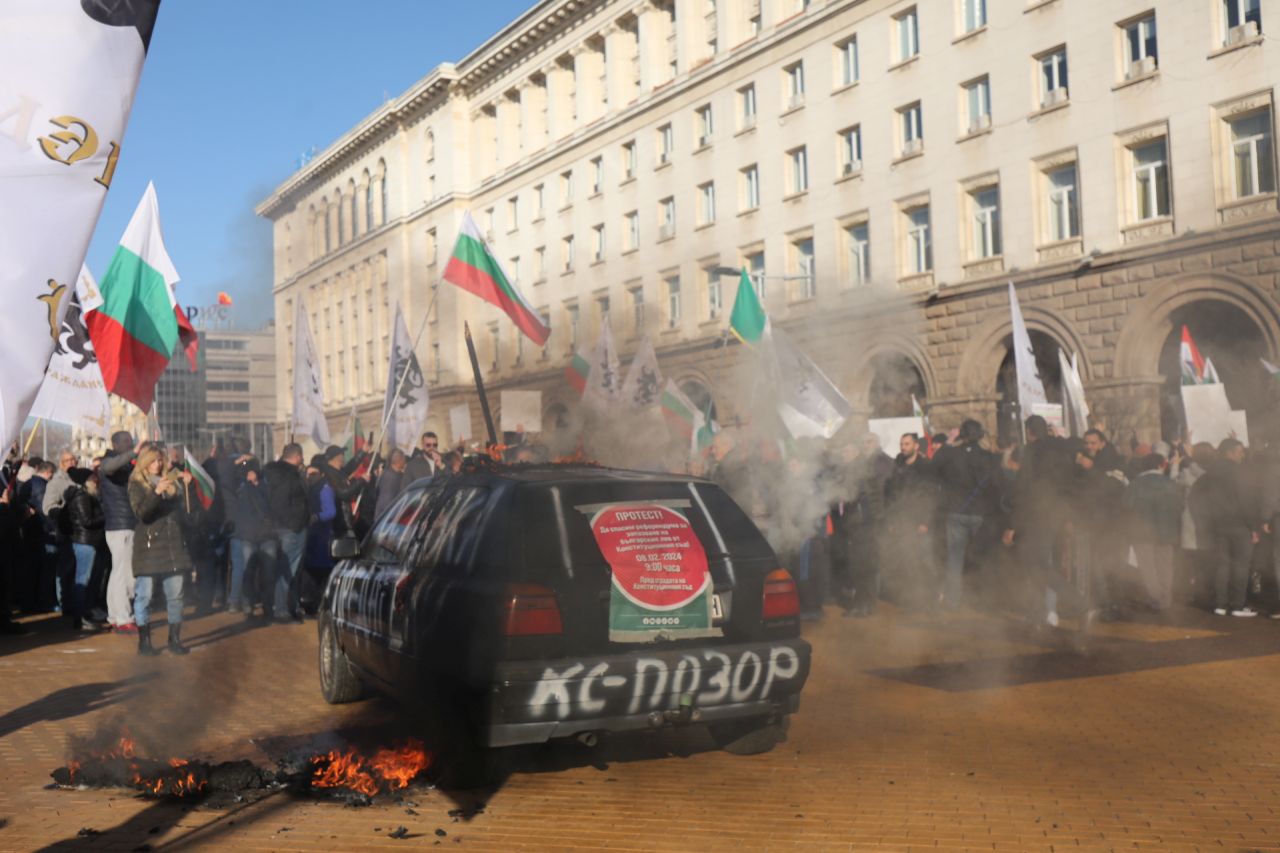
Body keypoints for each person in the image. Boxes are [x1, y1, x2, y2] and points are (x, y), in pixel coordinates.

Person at [1003, 415, 1080, 627]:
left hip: (1036, 515)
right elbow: (1070, 481)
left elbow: (1022, 490)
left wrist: (1012, 525)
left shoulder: (1031, 452)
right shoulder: (1062, 449)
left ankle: (1074, 603)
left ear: (1030, 432)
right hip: (1058, 514)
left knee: (1036, 564)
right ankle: (1043, 611)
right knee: (1045, 563)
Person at [128, 448, 192, 655]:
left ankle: (175, 639)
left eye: (159, 460)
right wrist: (156, 493)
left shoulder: (171, 482)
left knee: (176, 596)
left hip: (173, 546)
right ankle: (144, 641)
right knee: (144, 596)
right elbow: (142, 514)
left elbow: (185, 514)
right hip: (148, 548)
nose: (157, 464)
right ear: (144, 462)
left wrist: (186, 487)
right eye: (152, 460)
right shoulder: (136, 483)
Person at [933, 419, 1000, 608]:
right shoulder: (988, 457)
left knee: (955, 559)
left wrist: (949, 441)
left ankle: (953, 601)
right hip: (980, 514)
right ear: (979, 435)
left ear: (962, 434)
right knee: (983, 558)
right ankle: (984, 601)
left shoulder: (950, 454)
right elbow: (995, 485)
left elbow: (933, 467)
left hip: (955, 512)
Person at [1200, 438, 1260, 617]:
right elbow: (1245, 501)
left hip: (1218, 525)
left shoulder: (1210, 473)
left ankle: (1220, 604)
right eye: (1240, 451)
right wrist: (1253, 528)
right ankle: (1237, 605)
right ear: (1230, 452)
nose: (1243, 454)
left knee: (1222, 565)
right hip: (1239, 525)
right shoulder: (1239, 472)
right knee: (1241, 566)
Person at [883, 432, 939, 610]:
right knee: (906, 560)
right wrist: (891, 520)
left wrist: (925, 521)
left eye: (907, 444)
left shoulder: (925, 466)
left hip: (919, 519)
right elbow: (890, 495)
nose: (903, 447)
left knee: (924, 560)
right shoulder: (896, 465)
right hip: (901, 520)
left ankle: (931, 600)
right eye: (901, 444)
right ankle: (911, 599)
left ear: (916, 446)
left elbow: (931, 495)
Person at [1124, 444, 1182, 611]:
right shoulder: (1170, 484)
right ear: (1161, 465)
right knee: (1165, 566)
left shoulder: (1135, 484)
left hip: (1141, 532)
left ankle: (1155, 598)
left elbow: (1126, 506)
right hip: (1166, 531)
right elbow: (1179, 507)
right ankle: (1166, 599)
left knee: (1147, 567)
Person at [99, 431, 141, 632]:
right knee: (125, 574)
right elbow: (108, 467)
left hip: (121, 524)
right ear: (114, 444)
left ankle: (116, 615)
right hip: (121, 524)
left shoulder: (122, 464)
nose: (129, 445)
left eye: (131, 442)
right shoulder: (109, 461)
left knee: (118, 573)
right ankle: (124, 618)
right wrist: (135, 452)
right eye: (126, 442)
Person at [264, 444, 310, 622]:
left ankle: (283, 606)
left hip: (279, 527)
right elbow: (283, 502)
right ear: (297, 456)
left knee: (283, 568)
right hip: (292, 528)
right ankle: (281, 609)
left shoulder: (271, 472)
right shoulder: (289, 475)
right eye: (301, 457)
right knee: (288, 569)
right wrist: (295, 523)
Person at [228, 456, 278, 618]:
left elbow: (271, 506)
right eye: (247, 470)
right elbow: (227, 478)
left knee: (268, 573)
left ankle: (267, 605)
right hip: (248, 536)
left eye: (252, 470)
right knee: (247, 572)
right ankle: (247, 604)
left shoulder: (267, 487)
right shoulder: (241, 488)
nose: (249, 474)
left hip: (266, 535)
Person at [61, 468, 105, 632]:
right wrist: (106, 515)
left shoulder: (86, 495)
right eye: (93, 478)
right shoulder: (82, 496)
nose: (96, 481)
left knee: (85, 579)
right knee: (82, 580)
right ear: (86, 481)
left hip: (87, 541)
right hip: (85, 541)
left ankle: (84, 614)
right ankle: (80, 618)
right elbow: (87, 520)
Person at [373, 449, 409, 519]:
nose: (405, 461)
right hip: (387, 517)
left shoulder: (393, 474)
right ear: (399, 460)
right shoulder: (390, 476)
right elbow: (387, 501)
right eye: (404, 458)